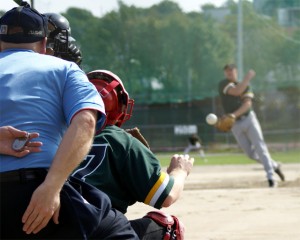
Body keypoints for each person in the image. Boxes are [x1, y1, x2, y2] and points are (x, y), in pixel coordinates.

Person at [0, 3, 138, 239]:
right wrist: (51, 187)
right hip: (42, 189)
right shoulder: (65, 68)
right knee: (119, 230)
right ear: (45, 44)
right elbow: (85, 122)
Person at [72, 70, 193, 239]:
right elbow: (166, 196)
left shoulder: (58, 136)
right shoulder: (119, 140)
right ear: (119, 106)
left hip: (51, 228)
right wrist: (180, 170)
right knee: (169, 226)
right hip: (99, 229)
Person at [218, 63, 285, 187]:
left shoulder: (246, 86)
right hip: (235, 124)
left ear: (236, 71)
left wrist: (233, 115)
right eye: (227, 71)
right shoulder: (224, 84)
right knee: (250, 153)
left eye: (231, 70)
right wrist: (247, 77)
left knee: (260, 146)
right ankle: (274, 165)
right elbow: (237, 91)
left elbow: (247, 104)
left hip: (249, 119)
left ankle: (271, 178)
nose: (229, 72)